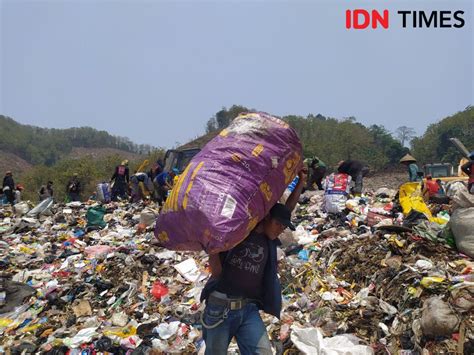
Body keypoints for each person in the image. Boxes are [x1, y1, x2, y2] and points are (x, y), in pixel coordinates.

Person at [200, 168, 307, 355]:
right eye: (277, 224)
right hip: (220, 309)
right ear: (266, 218)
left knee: (263, 352)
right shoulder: (240, 232)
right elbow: (217, 274)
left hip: (248, 309)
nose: (281, 229)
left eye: (284, 226)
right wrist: (213, 250)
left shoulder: (269, 239)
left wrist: (300, 182)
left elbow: (285, 210)